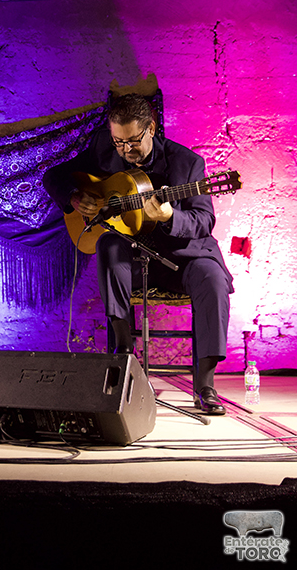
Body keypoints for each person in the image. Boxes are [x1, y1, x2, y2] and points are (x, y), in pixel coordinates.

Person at [42, 93, 233, 415]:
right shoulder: (104, 151)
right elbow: (53, 176)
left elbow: (204, 221)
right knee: (107, 244)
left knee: (213, 280)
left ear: (152, 129)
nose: (126, 150)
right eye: (119, 143)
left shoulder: (187, 163)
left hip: (181, 256)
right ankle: (124, 349)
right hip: (131, 255)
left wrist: (170, 216)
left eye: (132, 141)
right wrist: (75, 197)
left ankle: (205, 383)